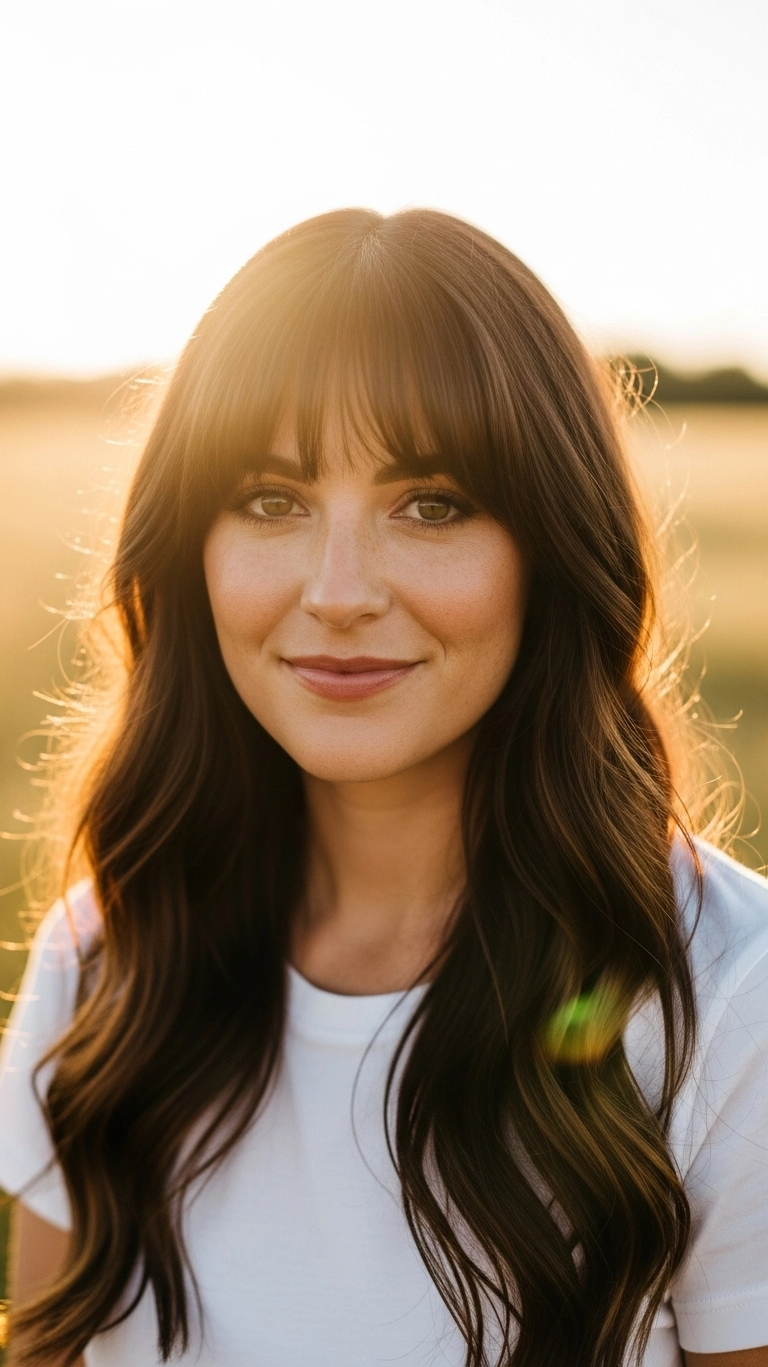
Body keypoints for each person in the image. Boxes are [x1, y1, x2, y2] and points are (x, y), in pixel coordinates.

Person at [0, 208, 766, 1367]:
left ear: (549, 546)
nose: (340, 589)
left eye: (434, 503)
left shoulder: (730, 996)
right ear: (190, 548)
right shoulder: (108, 956)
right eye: (269, 499)